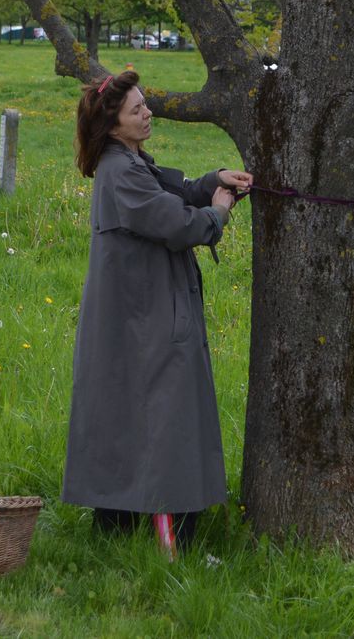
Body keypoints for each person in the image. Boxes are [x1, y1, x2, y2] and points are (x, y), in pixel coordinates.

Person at [62, 70, 252, 554]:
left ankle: (120, 527)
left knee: (131, 414)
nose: (148, 114)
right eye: (137, 110)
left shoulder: (127, 162)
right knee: (168, 417)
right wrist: (219, 210)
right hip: (142, 317)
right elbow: (175, 222)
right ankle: (170, 538)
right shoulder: (120, 170)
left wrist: (211, 181)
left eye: (146, 105)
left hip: (138, 313)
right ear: (113, 125)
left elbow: (170, 189)